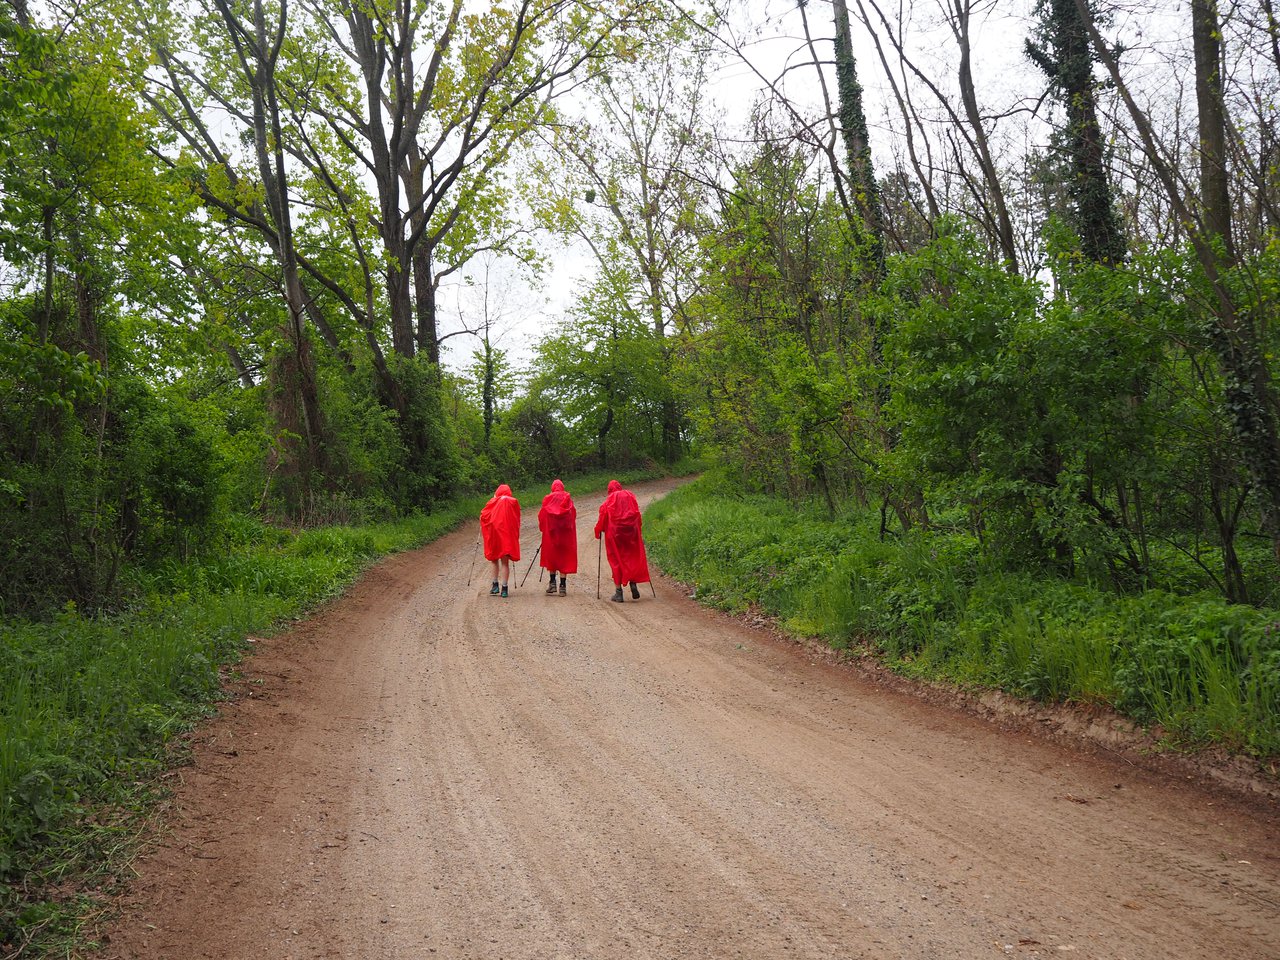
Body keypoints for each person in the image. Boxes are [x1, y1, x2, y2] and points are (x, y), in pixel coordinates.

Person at [593, 479, 650, 602]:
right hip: (631, 533)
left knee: (616, 561)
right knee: (631, 558)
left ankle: (619, 593)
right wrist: (638, 528)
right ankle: (633, 583)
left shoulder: (609, 500)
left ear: (609, 490)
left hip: (614, 535)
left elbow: (603, 516)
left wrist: (598, 531)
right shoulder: (630, 496)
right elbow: (637, 513)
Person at [538, 479, 577, 597]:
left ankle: (552, 583)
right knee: (564, 558)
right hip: (565, 535)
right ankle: (563, 587)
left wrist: (543, 528)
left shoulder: (548, 499)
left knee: (552, 557)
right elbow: (573, 516)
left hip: (551, 534)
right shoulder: (568, 499)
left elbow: (542, 516)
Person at [480, 483, 520, 598]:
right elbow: (516, 520)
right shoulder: (513, 502)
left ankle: (494, 586)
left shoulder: (493, 502)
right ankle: (504, 588)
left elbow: (484, 515)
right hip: (507, 537)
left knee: (494, 560)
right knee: (505, 562)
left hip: (494, 536)